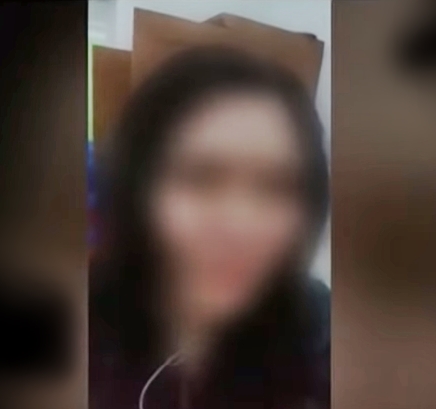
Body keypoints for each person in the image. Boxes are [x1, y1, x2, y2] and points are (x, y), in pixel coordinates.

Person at [89, 46, 330, 409]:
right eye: (201, 178)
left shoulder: (324, 340)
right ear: (136, 188)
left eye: (276, 186)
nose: (241, 227)